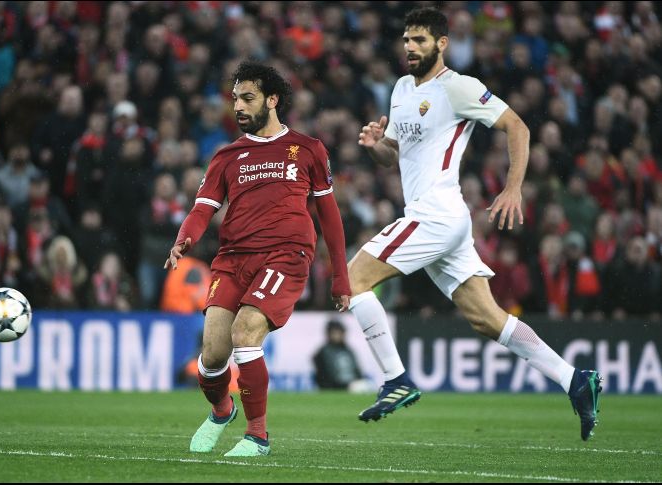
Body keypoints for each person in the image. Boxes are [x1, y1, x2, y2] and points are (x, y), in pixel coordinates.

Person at [348, 8, 602, 441]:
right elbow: (397, 153)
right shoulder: (402, 88)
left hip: (436, 213)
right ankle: (574, 379)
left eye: (420, 41)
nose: (410, 48)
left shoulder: (459, 87)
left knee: (351, 279)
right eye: (407, 40)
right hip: (440, 219)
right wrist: (377, 147)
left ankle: (396, 379)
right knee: (487, 318)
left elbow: (516, 127)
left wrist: (512, 188)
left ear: (442, 43)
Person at [165, 61, 351, 457]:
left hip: (286, 255)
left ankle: (258, 436)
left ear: (273, 100)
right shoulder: (226, 157)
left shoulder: (309, 150)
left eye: (247, 99)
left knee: (246, 333)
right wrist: (185, 238)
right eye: (235, 99)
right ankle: (221, 410)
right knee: (212, 357)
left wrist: (341, 276)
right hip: (232, 258)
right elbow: (203, 209)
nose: (238, 107)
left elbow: (330, 217)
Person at [313, 320, 364, 390]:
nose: (337, 336)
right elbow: (323, 376)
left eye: (339, 333)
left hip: (352, 384)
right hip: (335, 387)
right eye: (334, 333)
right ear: (328, 334)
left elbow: (357, 371)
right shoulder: (323, 352)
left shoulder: (348, 350)